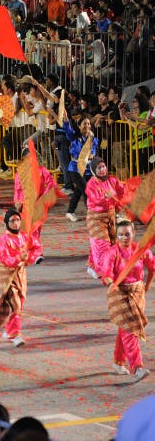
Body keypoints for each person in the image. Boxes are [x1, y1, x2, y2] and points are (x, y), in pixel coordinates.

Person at [97, 220, 153, 382]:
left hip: (137, 293)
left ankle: (118, 361)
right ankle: (137, 367)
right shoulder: (111, 253)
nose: (124, 237)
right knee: (130, 330)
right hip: (119, 293)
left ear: (133, 234)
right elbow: (106, 274)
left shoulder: (140, 250)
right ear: (116, 235)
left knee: (125, 328)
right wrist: (110, 283)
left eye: (127, 234)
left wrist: (147, 285)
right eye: (120, 234)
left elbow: (152, 266)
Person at [0, 208, 42, 347]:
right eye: (12, 221)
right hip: (7, 274)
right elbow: (5, 258)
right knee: (15, 304)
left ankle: (9, 329)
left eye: (18, 220)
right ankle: (15, 334)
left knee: (19, 303)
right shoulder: (3, 240)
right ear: (6, 223)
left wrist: (30, 258)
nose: (16, 223)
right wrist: (19, 257)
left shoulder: (24, 236)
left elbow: (36, 247)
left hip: (20, 273)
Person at [84, 157, 125, 279]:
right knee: (102, 243)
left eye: (103, 166)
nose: (102, 170)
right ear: (94, 170)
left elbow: (122, 192)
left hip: (110, 216)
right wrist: (106, 197)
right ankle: (105, 271)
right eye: (99, 168)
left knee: (112, 243)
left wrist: (116, 207)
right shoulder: (91, 184)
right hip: (96, 218)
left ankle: (93, 267)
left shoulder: (113, 180)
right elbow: (95, 199)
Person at [13, 147, 56, 255]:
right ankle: (35, 250)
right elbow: (18, 189)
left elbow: (52, 184)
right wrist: (18, 202)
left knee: (36, 227)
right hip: (27, 203)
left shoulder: (42, 170)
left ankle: (31, 248)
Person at [64, 116, 98, 222]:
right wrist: (66, 120)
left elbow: (93, 152)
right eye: (84, 124)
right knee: (86, 189)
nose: (87, 126)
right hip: (75, 168)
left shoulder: (93, 139)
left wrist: (90, 153)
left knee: (78, 191)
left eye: (88, 124)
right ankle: (91, 212)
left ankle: (70, 211)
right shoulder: (74, 137)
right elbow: (68, 130)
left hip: (88, 169)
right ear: (79, 126)